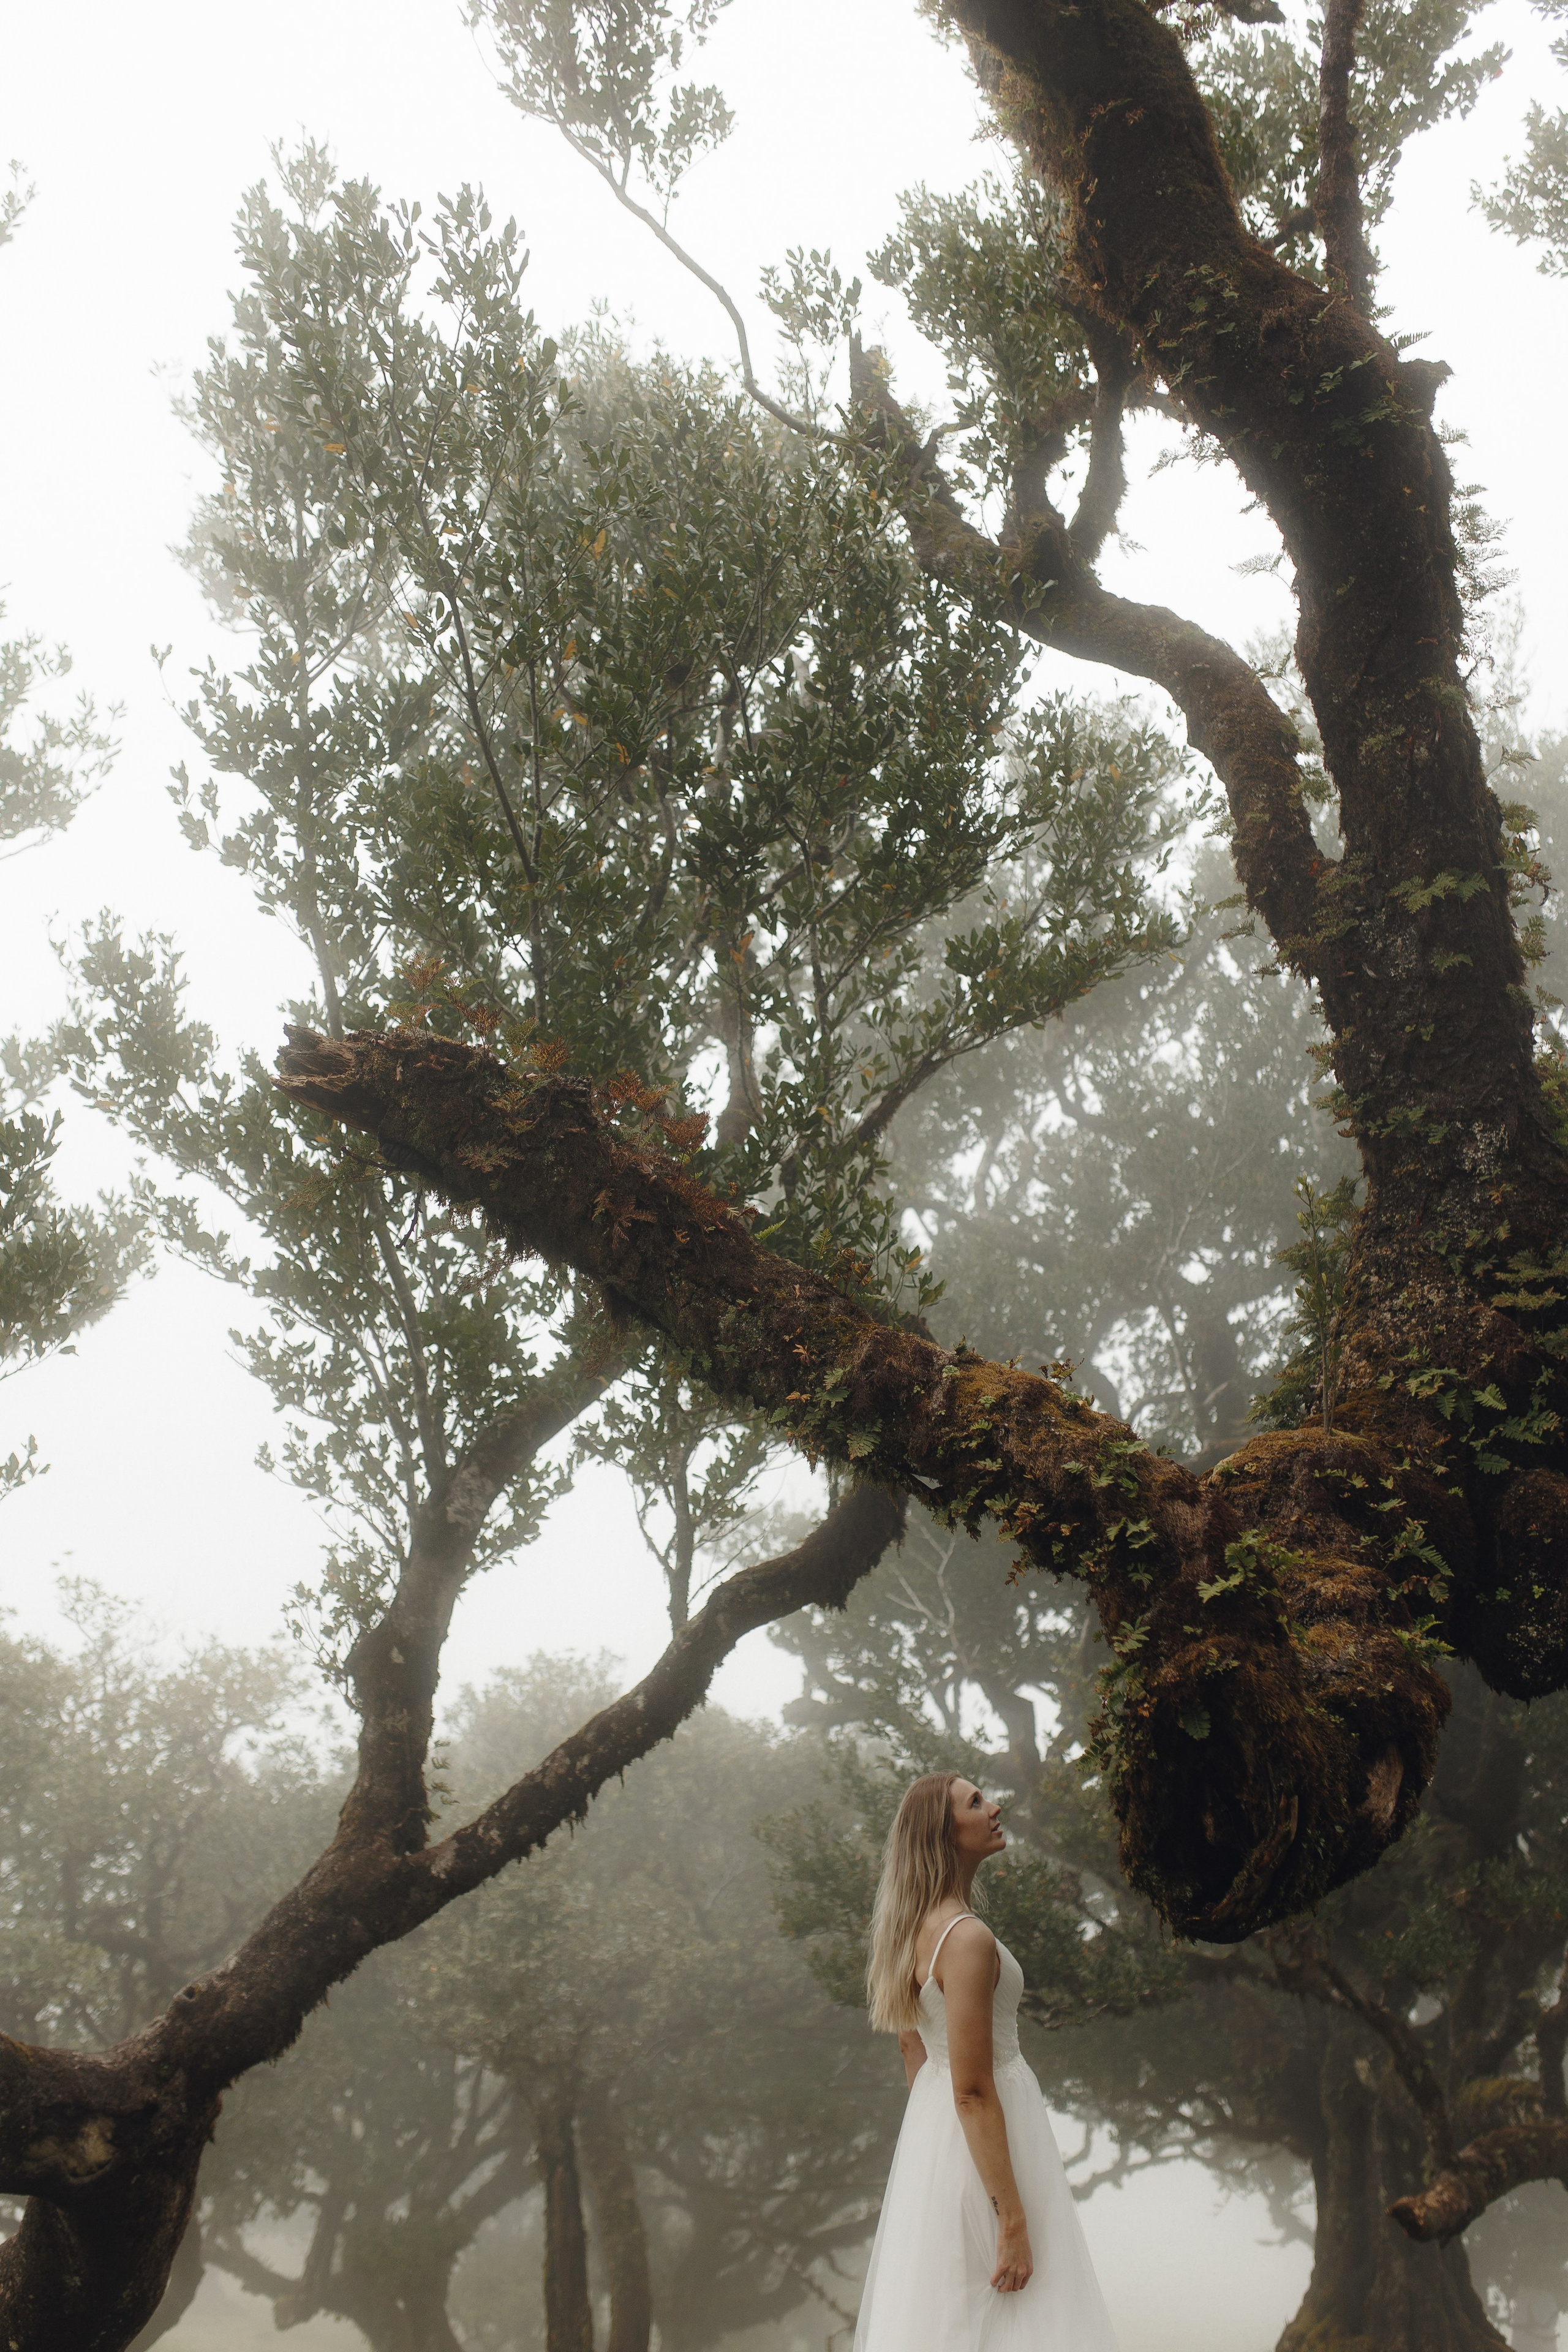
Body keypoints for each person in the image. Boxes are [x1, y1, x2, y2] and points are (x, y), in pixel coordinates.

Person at [854, 1772, 1120, 2351]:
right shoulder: (966, 1938)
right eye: (976, 1802)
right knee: (1022, 2314)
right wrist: (1010, 2217)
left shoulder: (911, 1928)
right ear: (944, 1833)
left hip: (943, 2142)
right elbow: (973, 2090)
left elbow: (913, 2049)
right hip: (992, 2139)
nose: (995, 1807)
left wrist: (937, 2153)